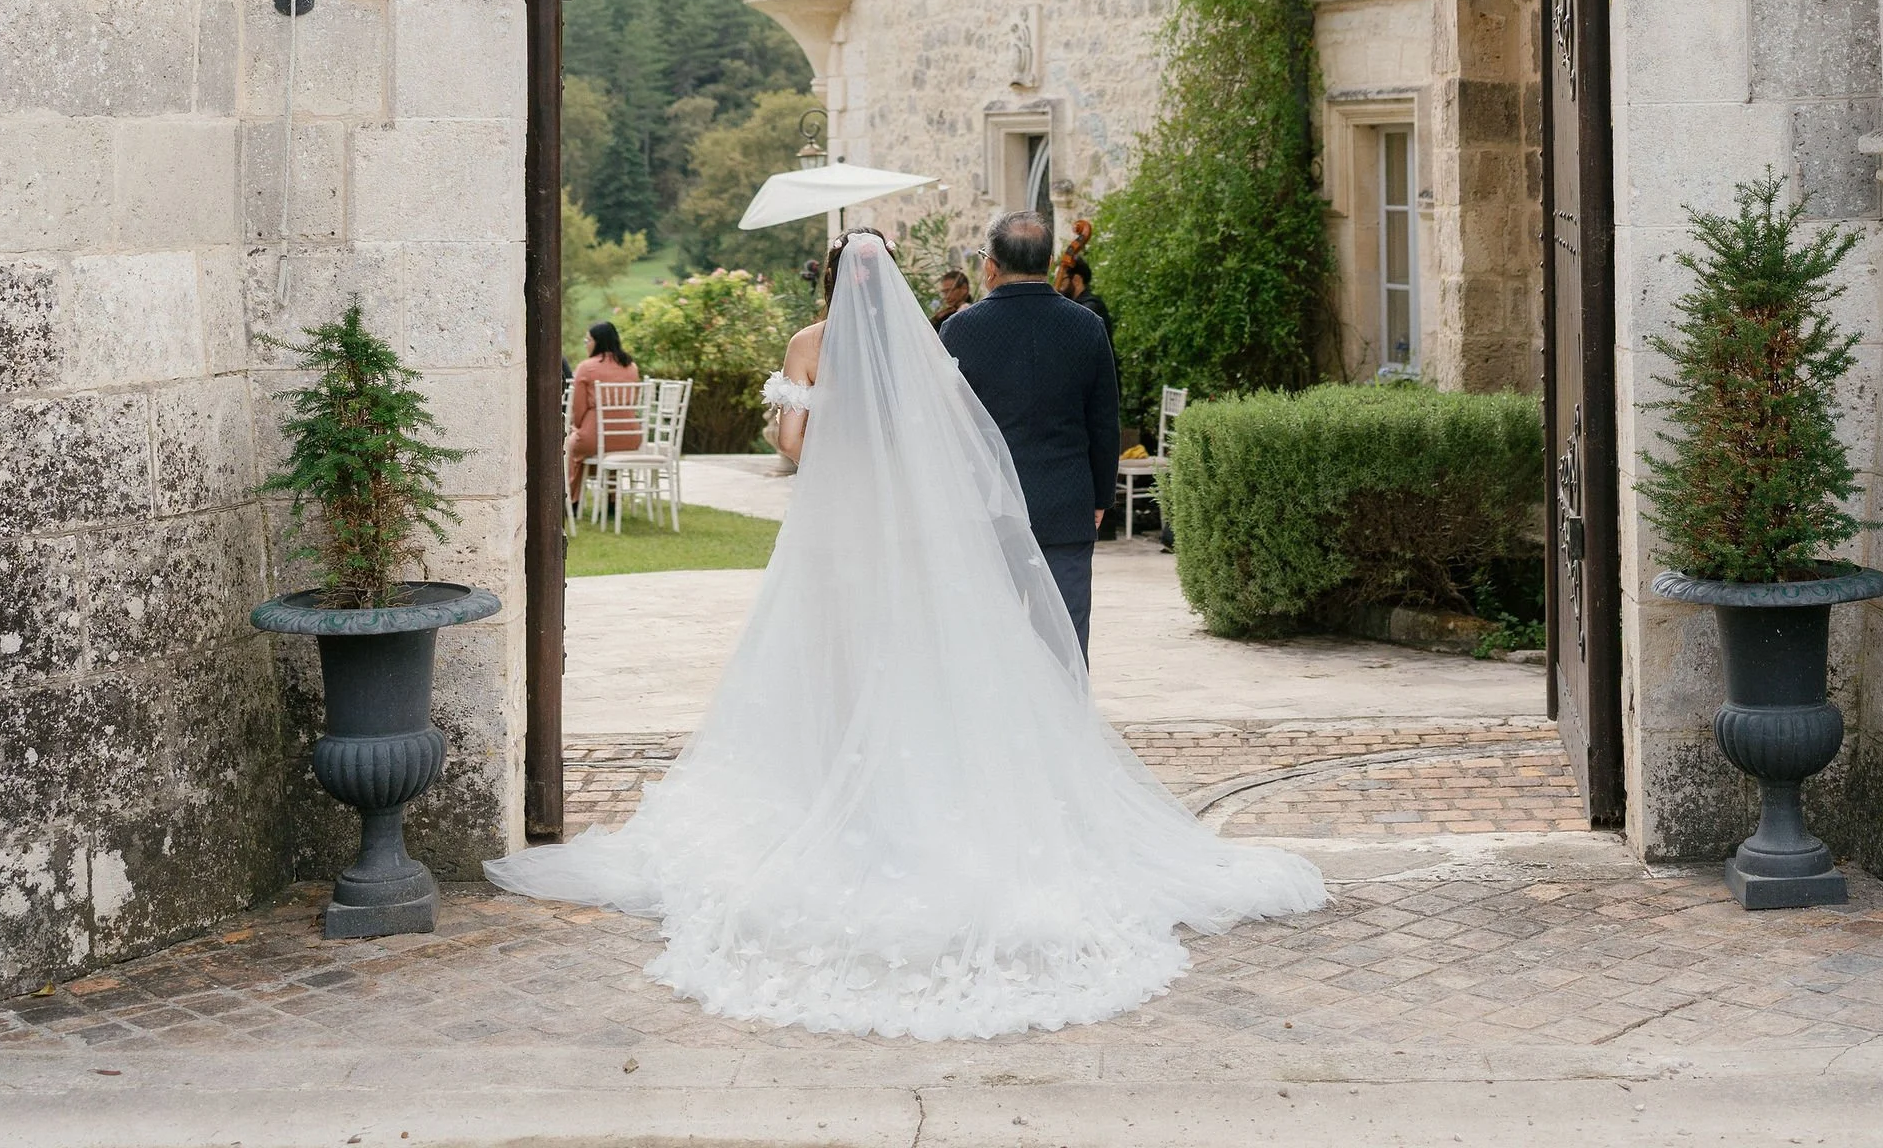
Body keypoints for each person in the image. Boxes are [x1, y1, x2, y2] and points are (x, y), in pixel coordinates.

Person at [486, 231, 1322, 1037]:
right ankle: (914, 774)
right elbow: (946, 441)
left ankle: (834, 778)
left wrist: (827, 443)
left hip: (836, 530)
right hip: (911, 530)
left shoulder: (808, 343)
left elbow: (790, 448)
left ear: (830, 277)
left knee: (832, 653)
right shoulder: (927, 341)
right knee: (914, 649)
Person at [938, 211, 1118, 665]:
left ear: (991, 265)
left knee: (986, 632)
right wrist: (1098, 497)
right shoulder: (1087, 327)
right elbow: (1103, 422)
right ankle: (1068, 728)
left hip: (987, 506)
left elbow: (947, 425)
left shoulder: (959, 329)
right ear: (1050, 259)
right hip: (1065, 501)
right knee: (1065, 637)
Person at [564, 318, 641, 509]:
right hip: (629, 436)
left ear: (597, 342)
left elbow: (578, 408)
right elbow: (634, 401)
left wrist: (578, 427)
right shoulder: (631, 367)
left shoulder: (587, 367)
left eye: (587, 340)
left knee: (573, 445)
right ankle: (612, 499)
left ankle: (573, 500)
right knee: (603, 450)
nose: (586, 344)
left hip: (595, 434)